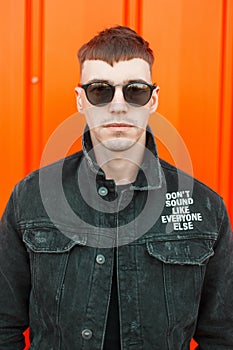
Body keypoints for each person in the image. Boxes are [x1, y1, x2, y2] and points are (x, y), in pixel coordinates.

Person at [0, 25, 233, 350]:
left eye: (134, 90)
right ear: (81, 100)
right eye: (100, 90)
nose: (118, 105)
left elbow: (222, 336)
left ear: (153, 99)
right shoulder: (31, 198)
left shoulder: (205, 207)